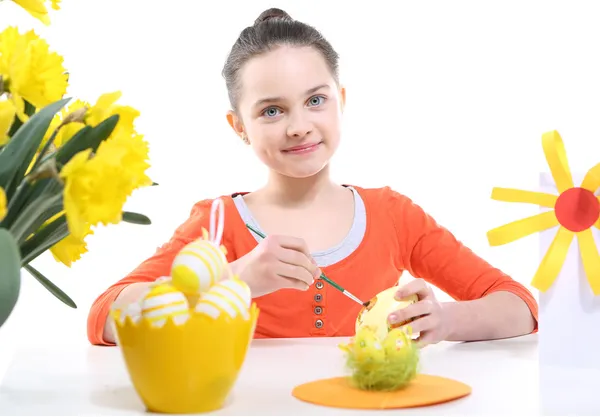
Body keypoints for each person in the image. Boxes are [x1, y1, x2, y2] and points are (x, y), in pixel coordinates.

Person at [87, 8, 538, 347]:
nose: (299, 125)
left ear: (340, 99)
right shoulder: (217, 224)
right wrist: (232, 279)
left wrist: (446, 321)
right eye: (271, 110)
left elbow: (519, 305)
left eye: (316, 101)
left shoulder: (393, 215)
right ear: (238, 126)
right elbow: (104, 316)